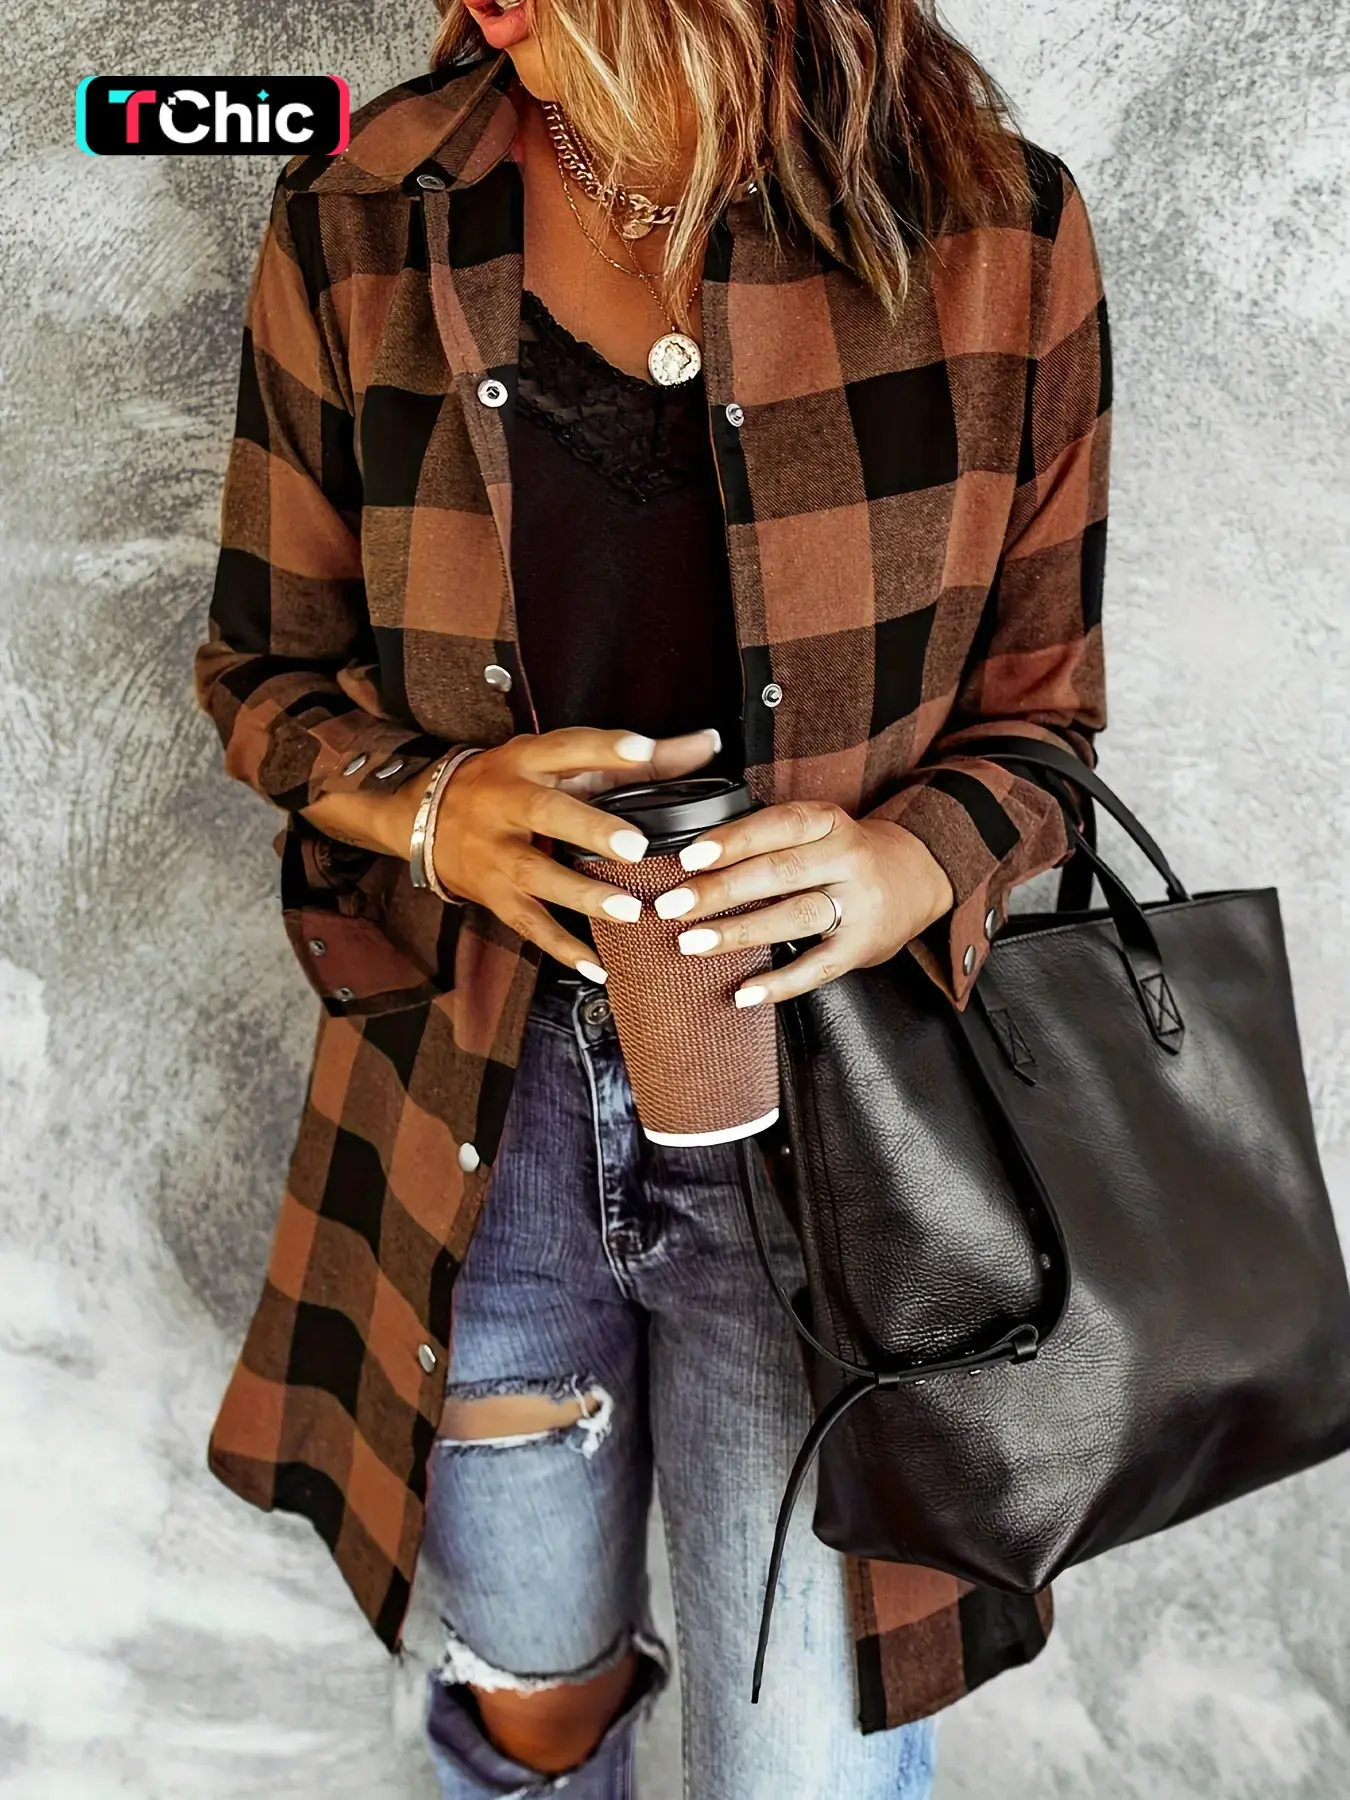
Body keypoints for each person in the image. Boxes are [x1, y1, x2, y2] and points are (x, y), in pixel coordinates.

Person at [195, 0, 1109, 1790]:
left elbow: (1046, 718)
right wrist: (430, 809)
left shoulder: (995, 229)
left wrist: (902, 862)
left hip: (838, 1147)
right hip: (481, 1117)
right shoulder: (362, 211)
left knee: (800, 1766)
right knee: (531, 1695)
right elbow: (261, 673)